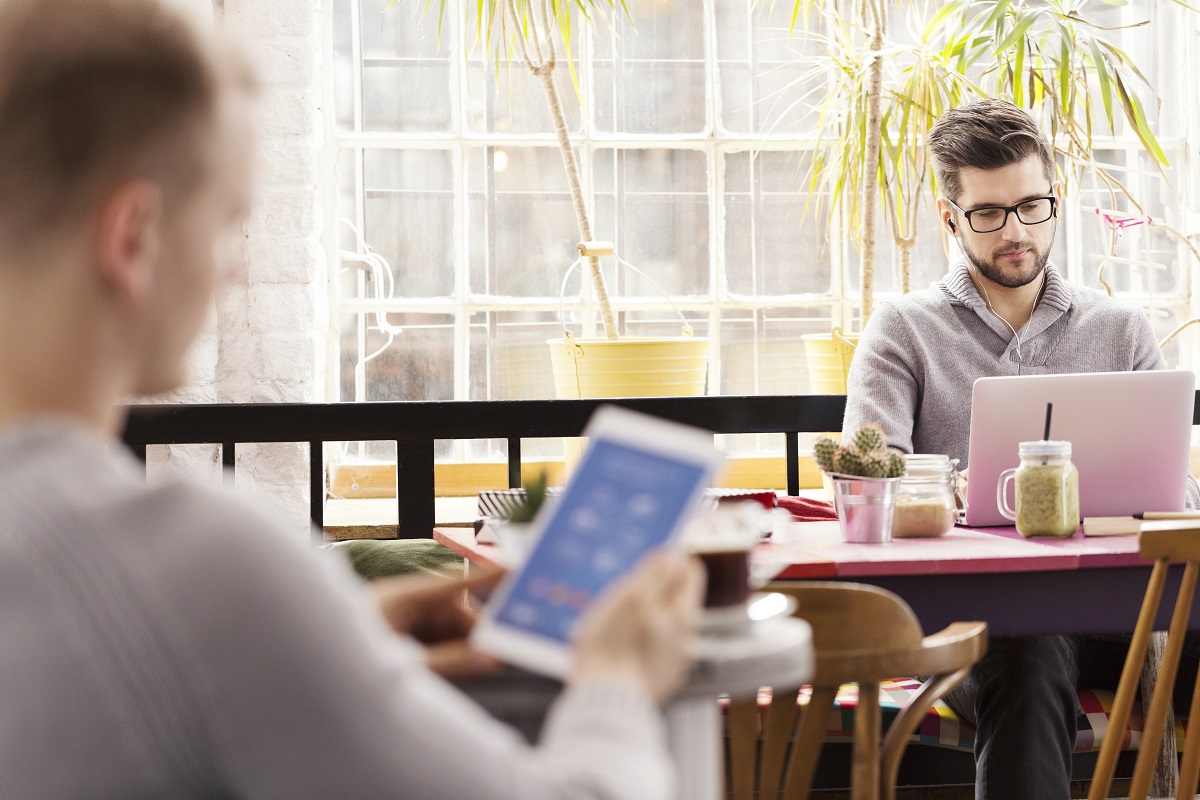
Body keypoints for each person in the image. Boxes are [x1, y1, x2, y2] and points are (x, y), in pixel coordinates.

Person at [0, 0, 705, 797]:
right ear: (133, 238)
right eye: (229, 219)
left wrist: (321, 644)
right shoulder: (195, 563)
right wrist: (615, 679)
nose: (234, 268)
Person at [842, 98, 1199, 799]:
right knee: (1031, 649)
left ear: (1055, 200)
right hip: (987, 624)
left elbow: (1178, 496)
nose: (1017, 232)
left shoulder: (1120, 330)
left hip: (1127, 613)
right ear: (951, 219)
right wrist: (952, 489)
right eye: (989, 213)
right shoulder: (904, 330)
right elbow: (868, 484)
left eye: (1033, 206)